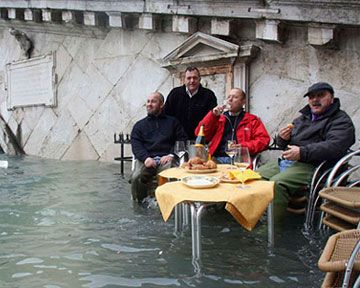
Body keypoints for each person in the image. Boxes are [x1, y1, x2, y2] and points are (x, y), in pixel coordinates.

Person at [257, 82, 355, 211]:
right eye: (311, 97)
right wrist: (282, 138)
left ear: (331, 98)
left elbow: (335, 146)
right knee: (255, 176)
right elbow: (284, 144)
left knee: (277, 183)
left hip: (318, 165)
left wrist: (302, 152)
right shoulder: (303, 118)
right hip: (293, 161)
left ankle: (272, 228)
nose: (315, 100)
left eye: (320, 95)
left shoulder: (340, 120)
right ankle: (256, 217)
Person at [130, 92, 187, 203]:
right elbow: (136, 145)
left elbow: (181, 140)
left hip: (166, 159)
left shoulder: (173, 122)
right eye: (148, 101)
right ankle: (139, 205)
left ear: (161, 104)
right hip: (146, 159)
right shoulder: (139, 125)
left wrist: (171, 155)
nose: (149, 104)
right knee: (136, 177)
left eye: (153, 101)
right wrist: (146, 158)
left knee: (171, 175)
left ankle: (168, 203)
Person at [195, 88, 270, 164]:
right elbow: (199, 133)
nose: (230, 100)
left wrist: (243, 147)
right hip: (216, 159)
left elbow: (263, 141)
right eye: (228, 97)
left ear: (243, 102)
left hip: (239, 160)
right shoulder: (219, 118)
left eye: (235, 97)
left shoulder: (252, 120)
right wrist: (212, 115)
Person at [164, 66, 217, 140]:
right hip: (177, 140)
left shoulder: (209, 95)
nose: (192, 81)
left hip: (201, 139)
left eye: (195, 78)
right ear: (184, 80)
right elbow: (167, 116)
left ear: (199, 79)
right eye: (189, 78)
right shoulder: (175, 94)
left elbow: (213, 119)